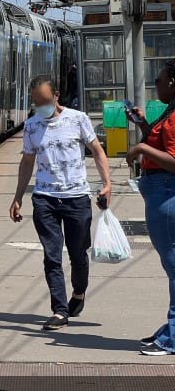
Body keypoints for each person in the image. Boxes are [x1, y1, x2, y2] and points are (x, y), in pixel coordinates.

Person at [10, 74, 111, 330]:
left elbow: (97, 151)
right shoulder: (32, 126)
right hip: (45, 199)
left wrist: (107, 184)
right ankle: (59, 310)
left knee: (78, 254)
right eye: (35, 102)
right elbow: (27, 162)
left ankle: (78, 293)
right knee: (51, 256)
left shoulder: (78, 119)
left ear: (56, 96)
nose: (39, 106)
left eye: (43, 100)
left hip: (76, 198)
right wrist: (18, 197)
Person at [125, 60, 175, 356]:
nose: (155, 84)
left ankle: (173, 337)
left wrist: (141, 148)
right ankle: (170, 329)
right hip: (161, 192)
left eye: (159, 80)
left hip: (166, 194)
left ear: (173, 83)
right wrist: (143, 125)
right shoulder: (169, 113)